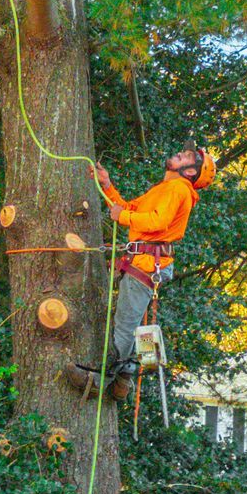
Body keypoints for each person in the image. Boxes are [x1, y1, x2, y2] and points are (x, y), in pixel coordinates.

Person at [64, 143, 213, 400]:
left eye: (187, 156)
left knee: (124, 326)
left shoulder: (179, 189)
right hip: (143, 262)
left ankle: (101, 380)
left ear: (189, 172)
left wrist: (123, 218)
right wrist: (107, 185)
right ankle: (125, 376)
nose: (180, 153)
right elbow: (127, 209)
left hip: (146, 264)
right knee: (129, 323)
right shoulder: (165, 189)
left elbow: (157, 221)